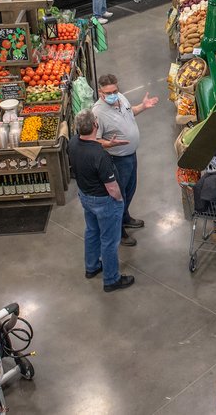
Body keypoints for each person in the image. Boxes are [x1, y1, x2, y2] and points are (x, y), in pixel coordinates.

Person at [68, 109, 134, 292]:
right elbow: (112, 186)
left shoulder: (73, 143)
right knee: (110, 241)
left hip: (85, 196)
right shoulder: (100, 157)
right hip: (105, 202)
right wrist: (119, 200)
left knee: (91, 232)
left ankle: (92, 267)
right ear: (96, 126)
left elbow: (91, 145)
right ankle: (111, 279)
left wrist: (108, 144)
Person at [92, 74, 158, 246]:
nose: (113, 94)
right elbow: (94, 141)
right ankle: (119, 231)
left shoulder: (120, 97)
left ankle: (126, 217)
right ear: (100, 93)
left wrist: (143, 106)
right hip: (117, 159)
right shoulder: (97, 113)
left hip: (131, 155)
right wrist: (109, 143)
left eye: (115, 90)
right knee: (119, 197)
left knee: (130, 189)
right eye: (109, 92)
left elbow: (130, 113)